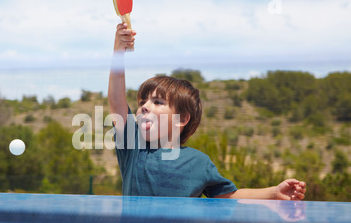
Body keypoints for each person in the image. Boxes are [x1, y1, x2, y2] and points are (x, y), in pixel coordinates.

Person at [108, 23, 307, 200]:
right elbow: (116, 101)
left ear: (182, 119)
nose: (145, 106)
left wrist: (273, 193)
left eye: (158, 102)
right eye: (143, 101)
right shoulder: (133, 146)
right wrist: (119, 50)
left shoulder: (199, 163)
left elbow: (230, 196)